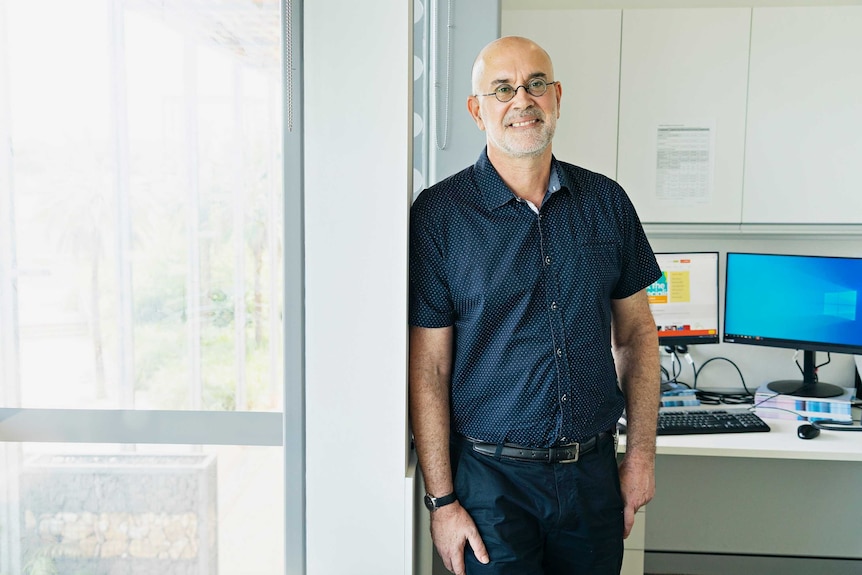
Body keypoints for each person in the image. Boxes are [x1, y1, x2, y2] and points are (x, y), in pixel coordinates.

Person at [408, 36, 662, 575]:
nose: (521, 100)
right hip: (490, 487)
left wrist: (640, 456)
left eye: (535, 84)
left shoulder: (607, 203)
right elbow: (428, 367)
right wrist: (442, 501)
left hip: (592, 477)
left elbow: (637, 334)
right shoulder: (438, 216)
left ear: (557, 97)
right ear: (478, 110)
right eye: (502, 89)